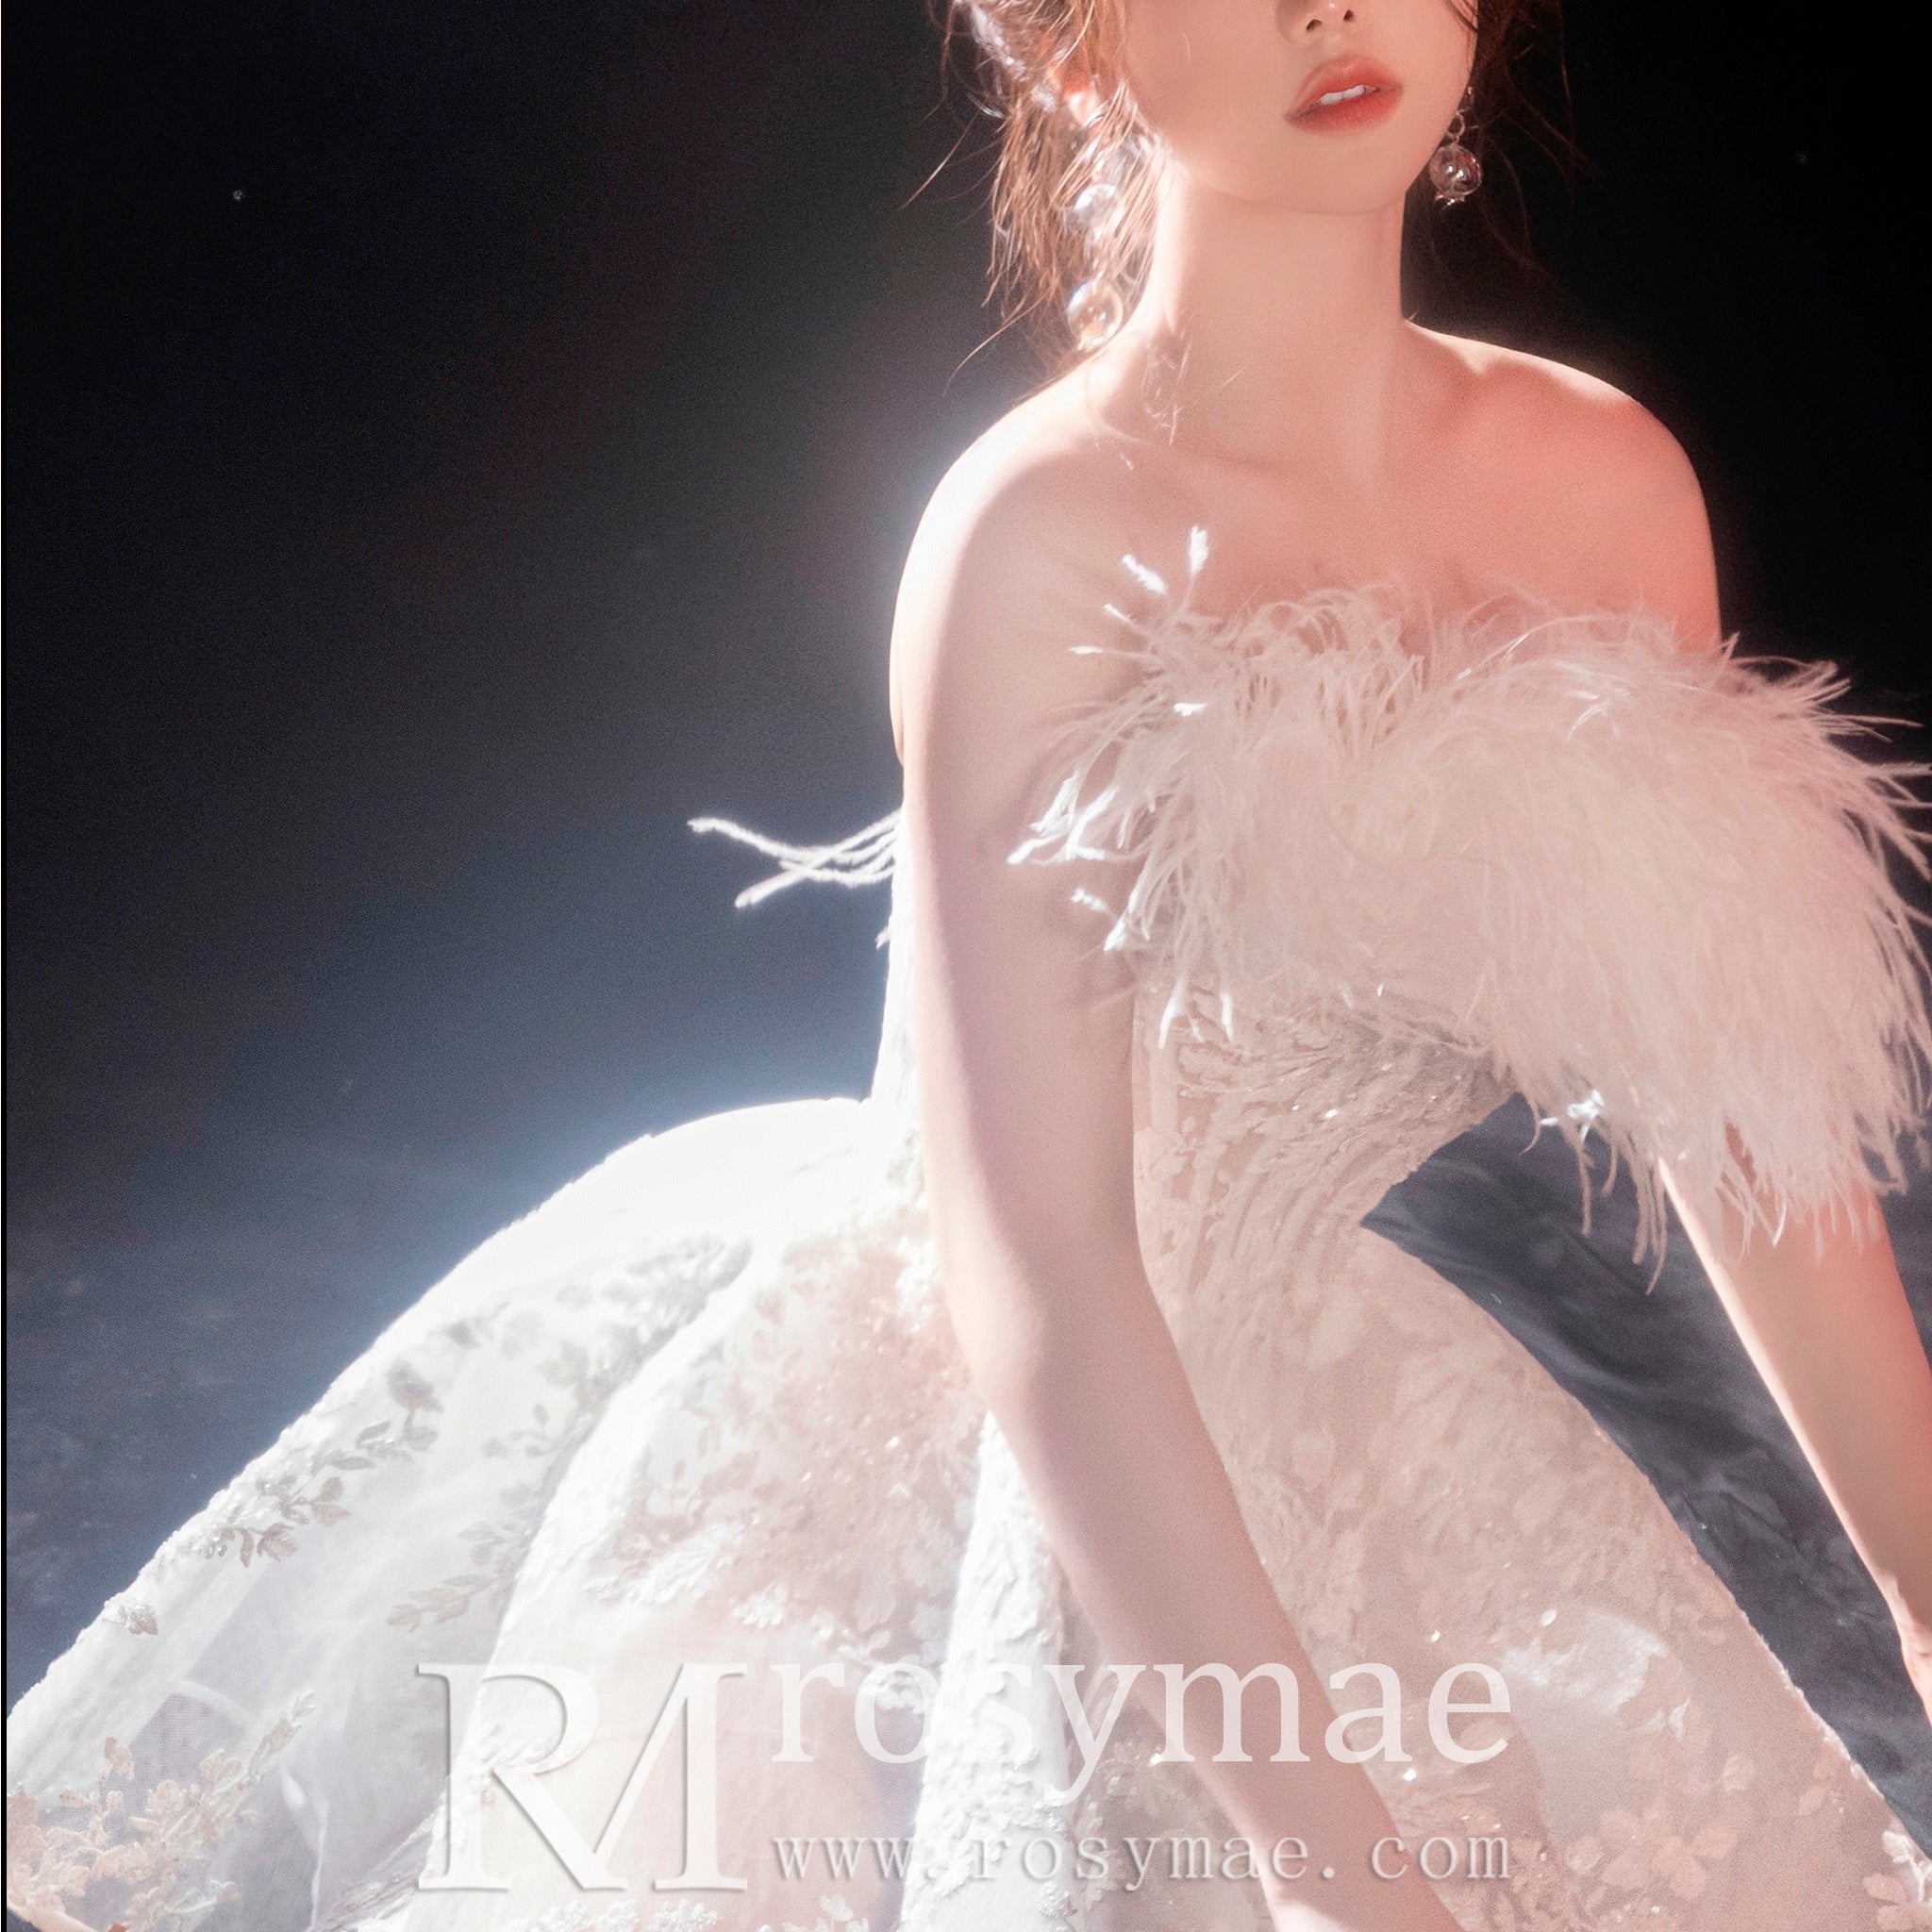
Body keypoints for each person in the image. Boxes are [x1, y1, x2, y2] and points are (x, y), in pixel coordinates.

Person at [9, 1, 1932, 1927]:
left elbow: (1753, 1128)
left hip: (1338, 1399)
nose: (1327, 9)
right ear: (1074, 56)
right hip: (1006, 1437)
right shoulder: (1038, 538)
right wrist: (1343, 1878)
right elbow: (1048, 1272)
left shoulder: (1601, 491)